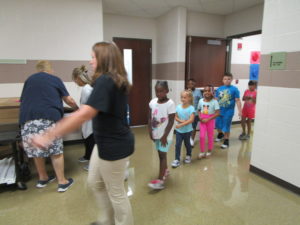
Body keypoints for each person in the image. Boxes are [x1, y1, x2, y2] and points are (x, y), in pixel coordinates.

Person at [31, 42, 135, 225]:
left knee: (116, 191)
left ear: (103, 58)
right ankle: (107, 221)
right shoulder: (110, 79)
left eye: (93, 57)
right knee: (95, 183)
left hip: (114, 145)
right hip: (103, 143)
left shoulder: (107, 80)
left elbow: (84, 113)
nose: (90, 61)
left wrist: (49, 135)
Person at [19, 60, 78, 192]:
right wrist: (77, 109)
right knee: (56, 151)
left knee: (36, 151)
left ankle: (43, 178)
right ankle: (62, 182)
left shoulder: (29, 80)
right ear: (50, 69)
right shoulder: (54, 79)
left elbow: (22, 99)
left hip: (27, 120)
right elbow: (68, 100)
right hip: (48, 117)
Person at [148, 81, 175, 189]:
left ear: (167, 91)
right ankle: (166, 170)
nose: (158, 93)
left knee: (162, 155)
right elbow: (149, 117)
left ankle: (160, 180)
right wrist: (150, 130)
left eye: (161, 91)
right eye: (157, 91)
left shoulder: (170, 104)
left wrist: (164, 136)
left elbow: (171, 121)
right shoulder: (153, 102)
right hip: (156, 133)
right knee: (160, 154)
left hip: (166, 136)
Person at [72, 65, 95, 171]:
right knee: (87, 138)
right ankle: (87, 156)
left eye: (74, 79)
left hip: (91, 120)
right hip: (87, 119)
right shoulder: (87, 88)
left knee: (91, 141)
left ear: (78, 78)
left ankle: (93, 165)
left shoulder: (87, 90)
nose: (75, 82)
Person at [215, 73, 242, 149]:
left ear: (231, 80)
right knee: (217, 124)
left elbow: (238, 100)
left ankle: (226, 141)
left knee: (226, 127)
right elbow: (216, 100)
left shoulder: (234, 89)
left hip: (228, 112)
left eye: (229, 79)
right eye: (225, 79)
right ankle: (220, 134)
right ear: (222, 80)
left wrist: (240, 111)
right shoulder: (219, 89)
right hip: (219, 111)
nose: (227, 80)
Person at [171, 90, 195, 168]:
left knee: (187, 144)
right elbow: (175, 116)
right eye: (182, 97)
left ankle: (188, 155)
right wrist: (181, 121)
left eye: (185, 97)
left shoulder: (191, 108)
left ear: (189, 98)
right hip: (179, 131)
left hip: (187, 131)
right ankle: (177, 159)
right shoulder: (178, 107)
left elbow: (191, 120)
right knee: (177, 145)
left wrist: (181, 124)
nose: (183, 99)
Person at [198, 85, 220, 158]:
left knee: (210, 136)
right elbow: (198, 110)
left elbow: (217, 113)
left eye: (208, 91)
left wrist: (208, 119)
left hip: (210, 120)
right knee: (201, 136)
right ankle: (202, 151)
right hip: (202, 120)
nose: (207, 92)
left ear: (212, 92)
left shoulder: (214, 101)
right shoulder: (200, 101)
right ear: (203, 92)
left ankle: (209, 150)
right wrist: (200, 117)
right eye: (205, 91)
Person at [187, 78, 202, 147]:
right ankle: (188, 139)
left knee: (193, 127)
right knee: (187, 127)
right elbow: (184, 102)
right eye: (189, 84)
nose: (191, 85)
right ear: (187, 85)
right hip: (187, 113)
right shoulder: (186, 92)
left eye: (192, 84)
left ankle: (192, 140)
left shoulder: (198, 91)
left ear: (195, 84)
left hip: (195, 113)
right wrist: (188, 94)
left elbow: (201, 101)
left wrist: (199, 112)